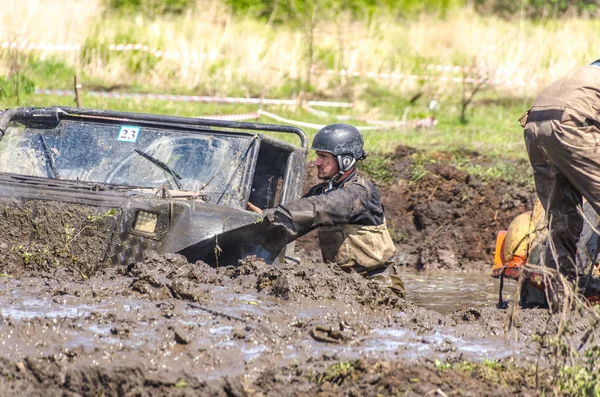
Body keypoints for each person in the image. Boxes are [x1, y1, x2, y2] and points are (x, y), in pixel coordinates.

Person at [247, 123, 404, 297]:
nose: (316, 162)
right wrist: (253, 226)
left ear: (346, 160)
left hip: (380, 286)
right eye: (317, 156)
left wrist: (270, 215)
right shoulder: (323, 192)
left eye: (323, 157)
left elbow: (318, 208)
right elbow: (293, 219)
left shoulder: (360, 193)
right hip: (345, 284)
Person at [521, 59, 600, 284]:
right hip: (570, 122)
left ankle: (560, 288)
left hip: (534, 124)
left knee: (561, 217)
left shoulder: (588, 71)